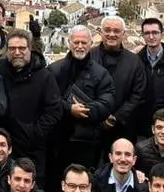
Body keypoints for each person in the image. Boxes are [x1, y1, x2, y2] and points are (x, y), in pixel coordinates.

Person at [49, 26, 116, 178]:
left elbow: (107, 103)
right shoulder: (54, 69)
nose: (80, 46)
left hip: (88, 143)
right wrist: (69, 109)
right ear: (69, 43)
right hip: (58, 141)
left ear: (91, 43)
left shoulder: (101, 74)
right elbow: (46, 100)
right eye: (76, 42)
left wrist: (84, 110)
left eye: (84, 42)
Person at [0, 28, 62, 177]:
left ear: (30, 50)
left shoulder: (44, 76)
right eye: (12, 48)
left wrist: (33, 133)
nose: (17, 52)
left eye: (22, 48)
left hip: (33, 149)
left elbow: (54, 110)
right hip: (4, 147)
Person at [92, 17, 148, 142]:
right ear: (101, 32)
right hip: (91, 127)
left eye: (116, 31)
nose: (111, 34)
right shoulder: (88, 57)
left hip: (124, 128)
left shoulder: (134, 61)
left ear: (123, 34)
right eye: (107, 30)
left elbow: (138, 94)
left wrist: (116, 117)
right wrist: (96, 116)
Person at [137, 18, 164, 118]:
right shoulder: (136, 61)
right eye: (147, 33)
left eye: (155, 32)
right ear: (143, 36)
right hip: (140, 119)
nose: (151, 37)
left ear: (162, 34)